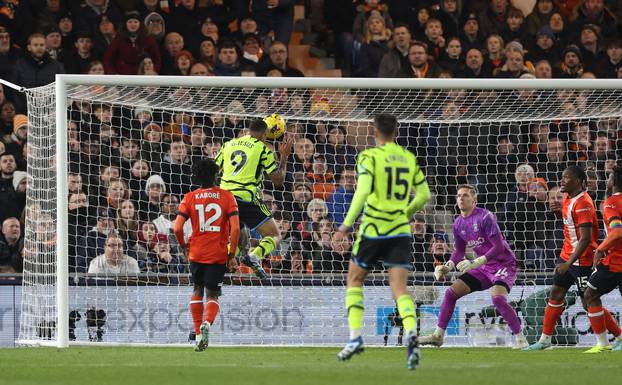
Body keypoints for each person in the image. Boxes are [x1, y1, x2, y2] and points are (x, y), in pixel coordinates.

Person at [335, 114, 431, 370]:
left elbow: (363, 191)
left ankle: (355, 337)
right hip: (400, 230)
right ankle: (411, 334)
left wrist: (345, 225)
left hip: (374, 228)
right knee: (399, 288)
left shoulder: (368, 157)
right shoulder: (408, 158)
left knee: (355, 279)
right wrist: (405, 213)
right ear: (396, 132)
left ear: (374, 132)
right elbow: (424, 195)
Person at [420, 184, 528, 349]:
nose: (461, 198)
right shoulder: (458, 223)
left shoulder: (485, 217)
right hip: (484, 267)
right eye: (458, 196)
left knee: (497, 298)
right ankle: (438, 336)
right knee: (451, 293)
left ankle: (521, 340)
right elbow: (459, 251)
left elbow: (498, 247)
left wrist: (476, 262)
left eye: (465, 195)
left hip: (503, 263)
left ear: (474, 200)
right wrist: (447, 266)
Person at [524, 165, 619, 350]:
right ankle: (544, 340)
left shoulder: (584, 203)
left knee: (588, 301)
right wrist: (559, 211)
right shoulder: (567, 197)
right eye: (562, 177)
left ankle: (618, 335)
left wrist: (568, 263)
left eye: (566, 178)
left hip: (582, 260)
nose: (562, 180)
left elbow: (584, 240)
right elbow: (572, 223)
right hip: (567, 255)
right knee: (556, 294)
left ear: (579, 182)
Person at [173, 158, 240, 352]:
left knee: (197, 289)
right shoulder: (227, 197)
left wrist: (184, 246)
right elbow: (235, 230)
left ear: (195, 177)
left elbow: (177, 227)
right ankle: (207, 324)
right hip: (218, 254)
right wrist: (232, 253)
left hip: (196, 252)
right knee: (213, 294)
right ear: (216, 175)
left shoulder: (189, 197)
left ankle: (198, 334)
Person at [214, 119, 293, 279]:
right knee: (274, 236)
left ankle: (221, 264)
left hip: (224, 199)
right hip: (246, 199)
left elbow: (214, 169)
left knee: (240, 237)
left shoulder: (229, 144)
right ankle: (254, 256)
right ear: (265, 134)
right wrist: (284, 156)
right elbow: (278, 181)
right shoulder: (262, 149)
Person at [581, 166, 622, 352]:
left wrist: (600, 249)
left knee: (590, 295)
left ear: (612, 182)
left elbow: (617, 231)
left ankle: (603, 343)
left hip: (616, 262)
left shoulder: (611, 202)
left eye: (609, 177)